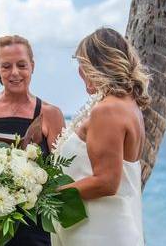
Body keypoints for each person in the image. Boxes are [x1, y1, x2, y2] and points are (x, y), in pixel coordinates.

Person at [52, 28, 150, 246]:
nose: (80, 74)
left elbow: (107, 182)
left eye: (83, 66)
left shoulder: (108, 110)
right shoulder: (128, 104)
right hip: (101, 227)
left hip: (100, 233)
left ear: (98, 65)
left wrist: (48, 194)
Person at [0, 35, 65, 246]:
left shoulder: (51, 115)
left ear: (32, 66)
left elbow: (60, 176)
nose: (15, 73)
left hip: (34, 231)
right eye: (6, 66)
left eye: (22, 65)